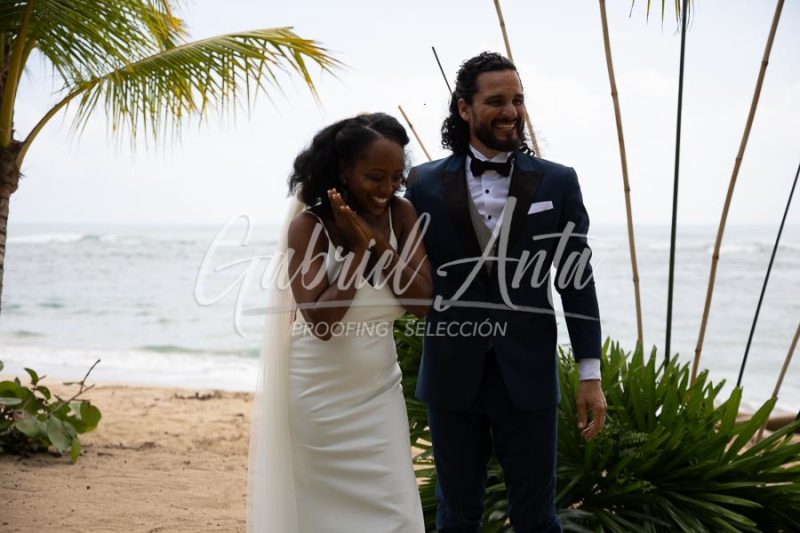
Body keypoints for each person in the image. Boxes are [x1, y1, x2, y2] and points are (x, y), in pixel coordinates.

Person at [404, 52, 607, 532]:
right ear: (464, 109)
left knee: (537, 518)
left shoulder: (558, 181)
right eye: (496, 101)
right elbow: (401, 267)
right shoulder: (424, 183)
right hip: (451, 374)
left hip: (528, 373)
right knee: (456, 517)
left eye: (517, 100)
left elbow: (576, 281)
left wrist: (589, 373)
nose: (511, 111)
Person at [246, 112, 431, 532]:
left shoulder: (402, 213)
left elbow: (422, 301)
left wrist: (376, 241)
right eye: (374, 177)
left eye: (396, 177)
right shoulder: (307, 227)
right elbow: (322, 322)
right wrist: (355, 253)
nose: (387, 189)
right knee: (321, 518)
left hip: (379, 394)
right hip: (317, 399)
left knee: (397, 515)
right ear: (344, 170)